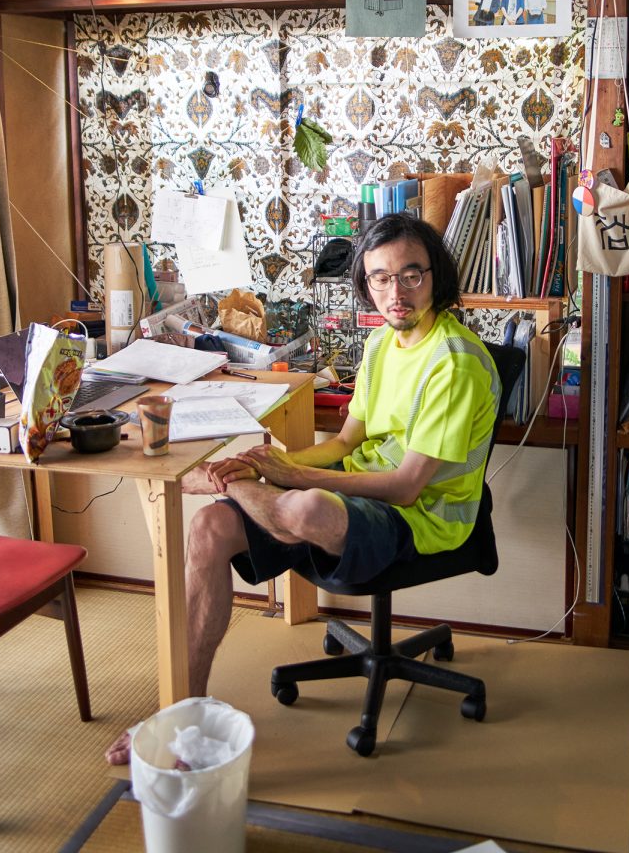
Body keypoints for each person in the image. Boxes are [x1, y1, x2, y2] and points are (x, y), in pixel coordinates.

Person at [105, 213, 500, 764]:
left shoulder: (454, 363)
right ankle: (182, 706)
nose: (397, 292)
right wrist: (268, 465)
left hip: (425, 518)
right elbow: (344, 445)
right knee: (208, 527)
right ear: (365, 283)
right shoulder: (386, 343)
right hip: (353, 490)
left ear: (436, 277)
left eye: (412, 275)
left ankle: (229, 484)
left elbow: (409, 487)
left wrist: (288, 475)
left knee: (309, 504)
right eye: (381, 278)